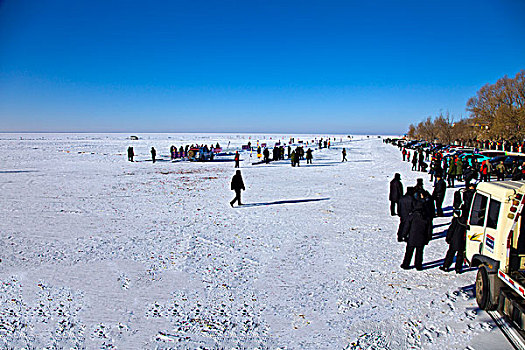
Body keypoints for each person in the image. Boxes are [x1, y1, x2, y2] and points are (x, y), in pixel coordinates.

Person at [400, 200, 431, 270]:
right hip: (422, 237)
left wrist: (403, 235)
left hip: (412, 237)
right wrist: (428, 238)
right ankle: (418, 265)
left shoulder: (412, 216)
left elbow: (406, 227)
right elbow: (429, 229)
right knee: (419, 252)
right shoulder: (426, 217)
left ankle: (406, 264)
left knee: (409, 252)